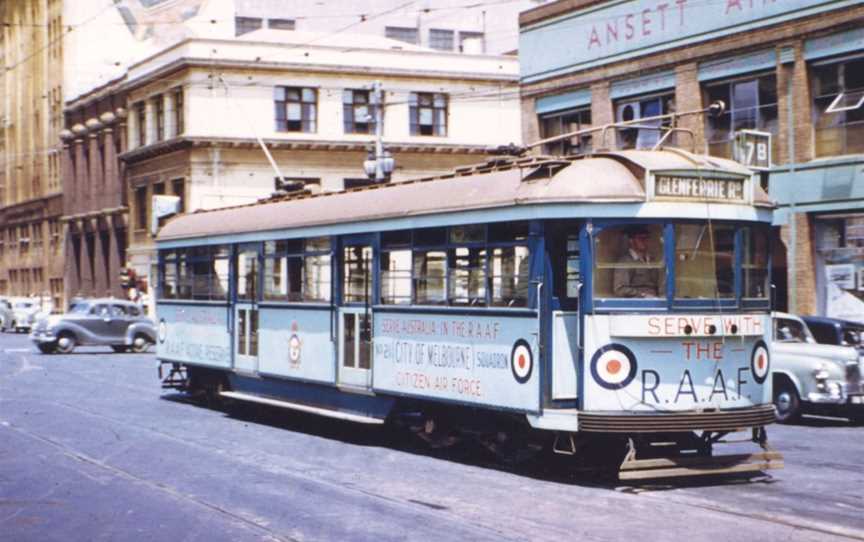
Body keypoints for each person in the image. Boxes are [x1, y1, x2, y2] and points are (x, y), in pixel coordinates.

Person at [613, 226, 662, 298]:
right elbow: (620, 290)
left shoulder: (652, 260)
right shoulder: (625, 261)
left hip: (656, 302)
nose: (645, 241)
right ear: (631, 241)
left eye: (647, 238)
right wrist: (642, 295)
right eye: (641, 238)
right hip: (637, 304)